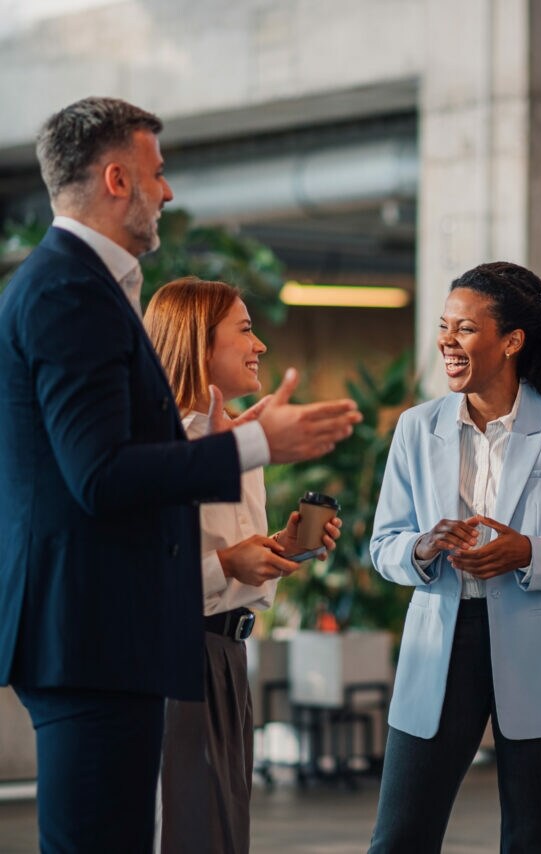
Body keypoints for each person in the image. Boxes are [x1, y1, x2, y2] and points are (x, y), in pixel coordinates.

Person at [0, 96, 361, 854]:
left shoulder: (84, 286)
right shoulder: (70, 289)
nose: (168, 191)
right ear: (116, 178)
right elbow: (97, 474)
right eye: (158, 173)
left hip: (102, 632)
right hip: (89, 633)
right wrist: (255, 445)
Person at [368, 261, 541, 853]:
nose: (447, 341)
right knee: (400, 837)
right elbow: (383, 545)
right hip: (441, 647)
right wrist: (422, 547)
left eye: (465, 329)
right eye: (445, 326)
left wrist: (525, 551)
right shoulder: (415, 429)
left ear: (511, 341)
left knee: (534, 838)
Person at [143, 276, 342, 853]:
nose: (259, 346)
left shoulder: (241, 443)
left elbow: (232, 556)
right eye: (246, 330)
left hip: (229, 657)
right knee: (185, 833)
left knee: (225, 833)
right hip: (179, 655)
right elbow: (145, 578)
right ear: (199, 342)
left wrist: (278, 544)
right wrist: (229, 564)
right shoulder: (164, 447)